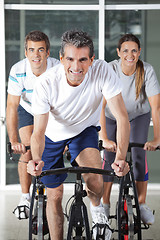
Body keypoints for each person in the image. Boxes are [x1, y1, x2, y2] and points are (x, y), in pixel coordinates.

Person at [27, 29, 130, 240]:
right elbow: (38, 131)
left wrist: (120, 158)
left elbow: (122, 118)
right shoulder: (46, 83)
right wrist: (36, 160)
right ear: (62, 59)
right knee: (54, 195)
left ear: (92, 60)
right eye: (71, 59)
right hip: (52, 135)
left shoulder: (102, 71)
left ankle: (97, 212)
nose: (76, 67)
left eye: (83, 59)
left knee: (93, 176)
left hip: (84, 130)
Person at [100, 33, 160, 225]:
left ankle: (141, 204)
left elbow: (156, 107)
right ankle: (105, 203)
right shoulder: (110, 69)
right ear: (118, 52)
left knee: (138, 154)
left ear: (139, 52)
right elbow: (99, 106)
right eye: (125, 50)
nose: (130, 54)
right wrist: (104, 137)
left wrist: (157, 138)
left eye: (134, 50)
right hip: (111, 115)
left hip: (137, 116)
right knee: (109, 156)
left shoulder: (147, 70)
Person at [6, 30, 59, 219]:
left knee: (49, 149)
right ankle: (25, 197)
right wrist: (14, 141)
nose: (36, 55)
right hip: (27, 109)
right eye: (32, 50)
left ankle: (52, 193)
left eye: (40, 50)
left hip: (52, 110)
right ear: (26, 52)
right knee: (27, 150)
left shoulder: (57, 69)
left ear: (48, 52)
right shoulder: (17, 70)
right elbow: (11, 107)